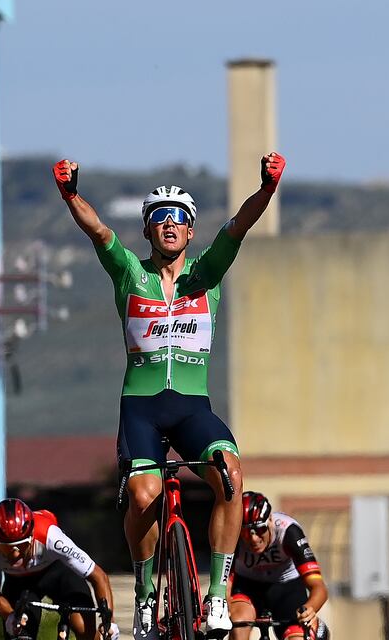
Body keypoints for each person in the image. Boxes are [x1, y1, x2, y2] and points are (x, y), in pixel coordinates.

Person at [52, 152, 287, 637]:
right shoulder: (129, 276)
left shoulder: (206, 275)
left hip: (190, 409)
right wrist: (71, 195)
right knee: (143, 495)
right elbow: (99, 233)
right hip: (141, 409)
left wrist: (266, 190)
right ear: (147, 231)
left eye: (179, 220)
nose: (169, 226)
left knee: (229, 473)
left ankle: (217, 597)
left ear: (190, 231)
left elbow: (239, 226)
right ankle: (144, 598)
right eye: (159, 219)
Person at [0, 498, 119, 640]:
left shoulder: (51, 536)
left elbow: (98, 576)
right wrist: (9, 616)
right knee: (20, 632)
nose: (14, 554)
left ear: (31, 537)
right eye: (5, 548)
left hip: (58, 572)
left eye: (19, 546)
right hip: (19, 583)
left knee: (83, 628)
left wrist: (110, 622)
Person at [229, 492, 331, 640]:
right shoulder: (232, 535)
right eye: (245, 532)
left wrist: (310, 609)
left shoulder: (288, 531)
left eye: (260, 529)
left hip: (286, 588)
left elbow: (318, 587)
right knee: (239, 623)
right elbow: (225, 586)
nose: (253, 538)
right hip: (247, 586)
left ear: (270, 520)